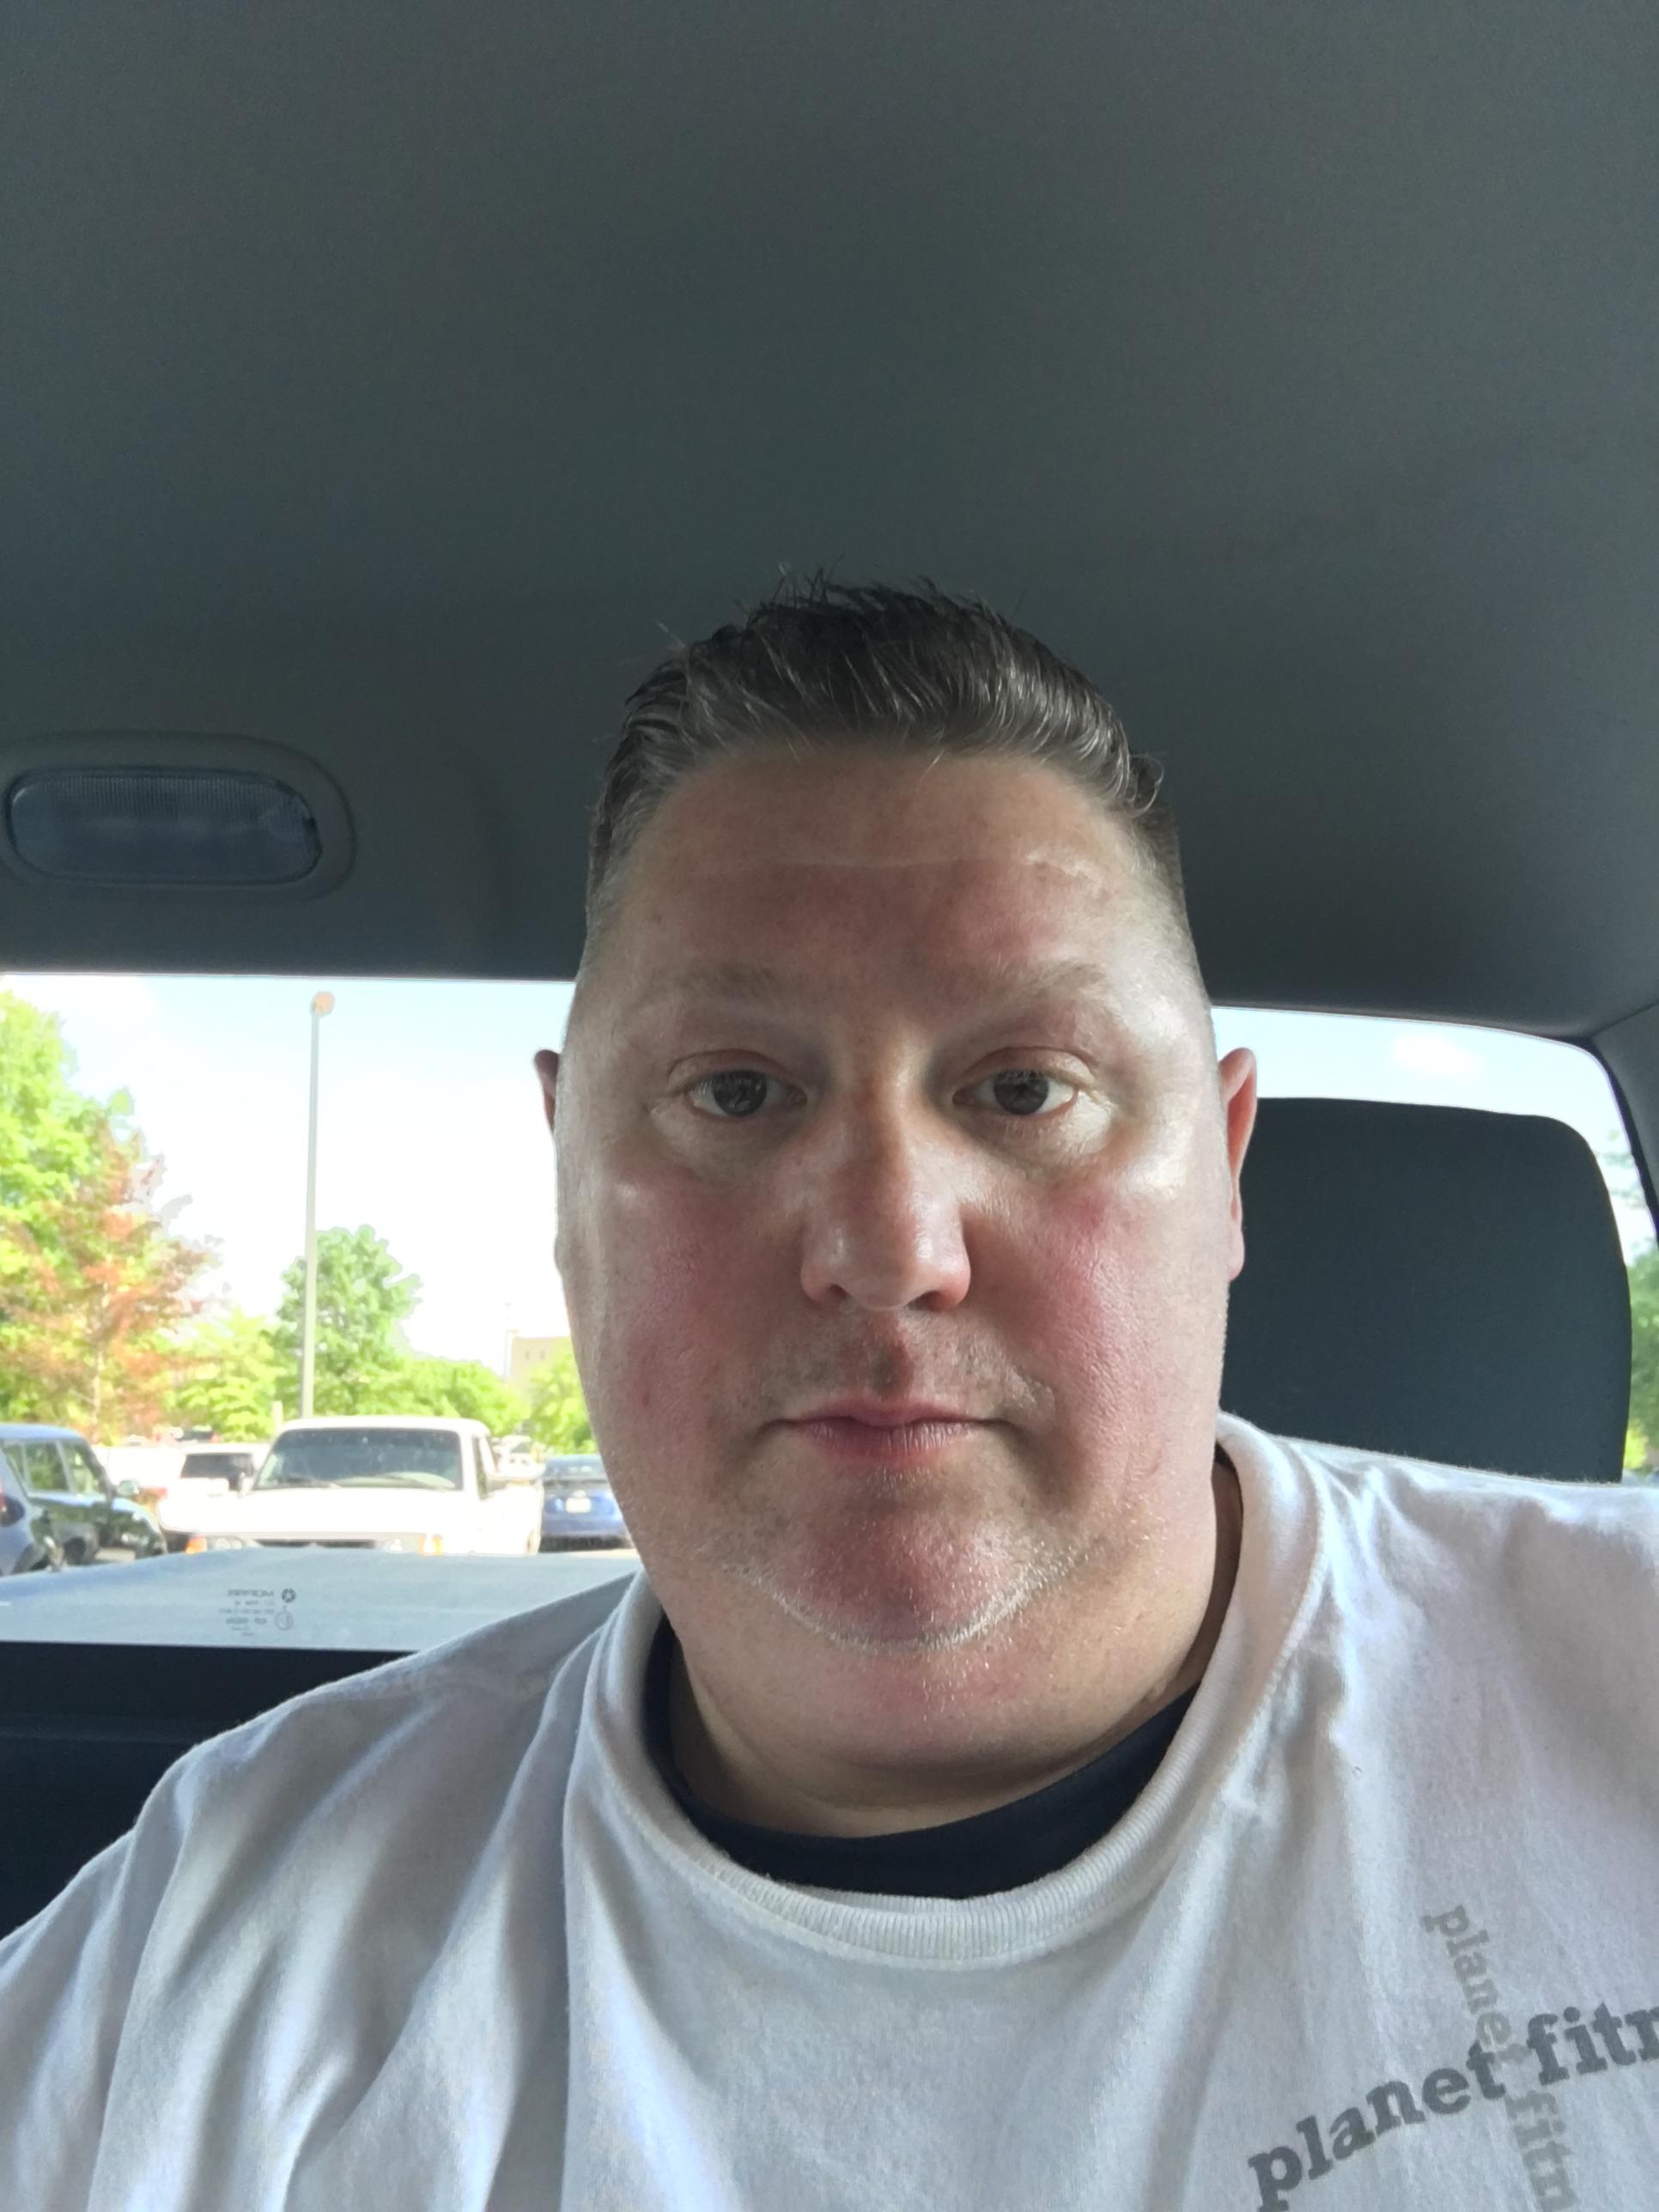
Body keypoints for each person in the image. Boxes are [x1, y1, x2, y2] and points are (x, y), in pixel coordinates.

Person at [2, 580, 1656, 2212]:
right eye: (735, 1091)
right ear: (566, 1183)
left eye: (1027, 1090)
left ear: (1225, 1177)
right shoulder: (212, 1935)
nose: (888, 1247)